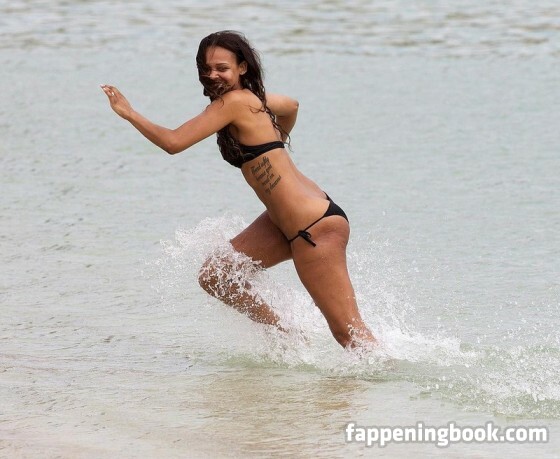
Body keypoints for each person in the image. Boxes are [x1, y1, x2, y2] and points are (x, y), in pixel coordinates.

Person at [101, 30, 376, 349]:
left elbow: (173, 142)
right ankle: (286, 333)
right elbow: (291, 105)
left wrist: (129, 113)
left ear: (242, 67)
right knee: (216, 275)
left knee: (348, 335)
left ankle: (385, 377)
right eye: (206, 69)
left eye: (222, 68)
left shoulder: (233, 102)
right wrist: (276, 139)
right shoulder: (252, 99)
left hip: (313, 229)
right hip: (284, 222)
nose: (212, 75)